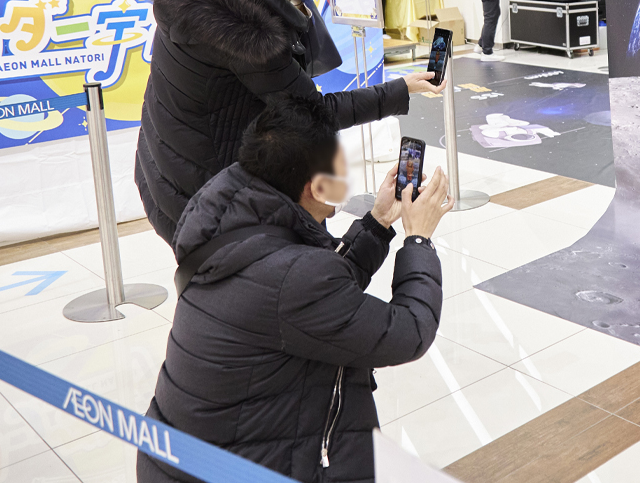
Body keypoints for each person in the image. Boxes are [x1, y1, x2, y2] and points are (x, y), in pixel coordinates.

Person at [137, 94, 452, 483]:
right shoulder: (295, 278)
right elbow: (409, 332)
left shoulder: (226, 207)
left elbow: (319, 299)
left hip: (182, 461)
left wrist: (379, 222)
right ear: (318, 189)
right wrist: (418, 238)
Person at [135, 0, 441, 249]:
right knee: (269, 291)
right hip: (207, 191)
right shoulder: (242, 32)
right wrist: (400, 89)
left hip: (171, 162)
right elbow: (314, 112)